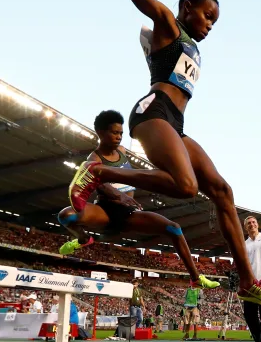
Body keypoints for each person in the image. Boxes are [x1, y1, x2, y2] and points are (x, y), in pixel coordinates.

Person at [89, 0, 261, 308]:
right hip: (153, 111)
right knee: (185, 186)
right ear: (186, 7)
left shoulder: (191, 39)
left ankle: (248, 282)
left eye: (215, 20)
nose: (211, 25)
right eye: (207, 16)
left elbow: (196, 12)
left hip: (175, 122)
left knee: (223, 191)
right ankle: (100, 172)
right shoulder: (167, 23)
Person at [57, 110, 221, 291]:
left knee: (173, 228)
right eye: (114, 133)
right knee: (66, 216)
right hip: (105, 212)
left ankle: (195, 278)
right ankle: (83, 239)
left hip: (129, 214)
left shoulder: (122, 151)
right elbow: (100, 185)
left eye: (121, 133)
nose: (119, 137)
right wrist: (119, 195)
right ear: (101, 133)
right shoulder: (94, 158)